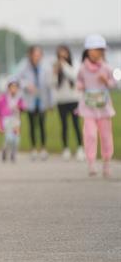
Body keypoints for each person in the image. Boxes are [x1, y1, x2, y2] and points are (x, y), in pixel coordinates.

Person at [76, 35, 116, 177]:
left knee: (106, 136)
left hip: (104, 108)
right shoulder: (82, 68)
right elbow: (79, 82)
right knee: (90, 135)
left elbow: (114, 83)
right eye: (94, 49)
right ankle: (91, 163)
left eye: (100, 50)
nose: (97, 52)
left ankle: (106, 163)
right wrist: (80, 86)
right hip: (88, 107)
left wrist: (107, 81)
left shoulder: (107, 68)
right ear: (87, 51)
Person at [17, 46, 53, 161]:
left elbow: (49, 86)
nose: (37, 57)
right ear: (30, 55)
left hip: (42, 100)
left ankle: (43, 148)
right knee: (32, 125)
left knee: (42, 125)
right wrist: (27, 85)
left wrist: (51, 102)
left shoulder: (45, 67)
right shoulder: (24, 67)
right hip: (30, 100)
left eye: (39, 55)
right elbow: (18, 80)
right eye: (34, 55)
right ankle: (33, 149)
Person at [52, 45, 84, 161]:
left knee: (76, 124)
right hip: (61, 100)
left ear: (68, 53)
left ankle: (80, 148)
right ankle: (65, 148)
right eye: (60, 54)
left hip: (73, 99)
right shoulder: (55, 66)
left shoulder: (73, 64)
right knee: (64, 125)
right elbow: (52, 83)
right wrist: (55, 72)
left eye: (64, 53)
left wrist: (64, 65)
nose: (62, 56)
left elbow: (74, 76)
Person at [0, 80, 25, 162]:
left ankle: (13, 153)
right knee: (9, 138)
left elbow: (23, 107)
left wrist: (19, 108)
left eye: (15, 87)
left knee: (16, 138)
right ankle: (5, 149)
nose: (13, 89)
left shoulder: (19, 98)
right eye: (12, 87)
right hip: (6, 119)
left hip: (15, 119)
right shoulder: (3, 97)